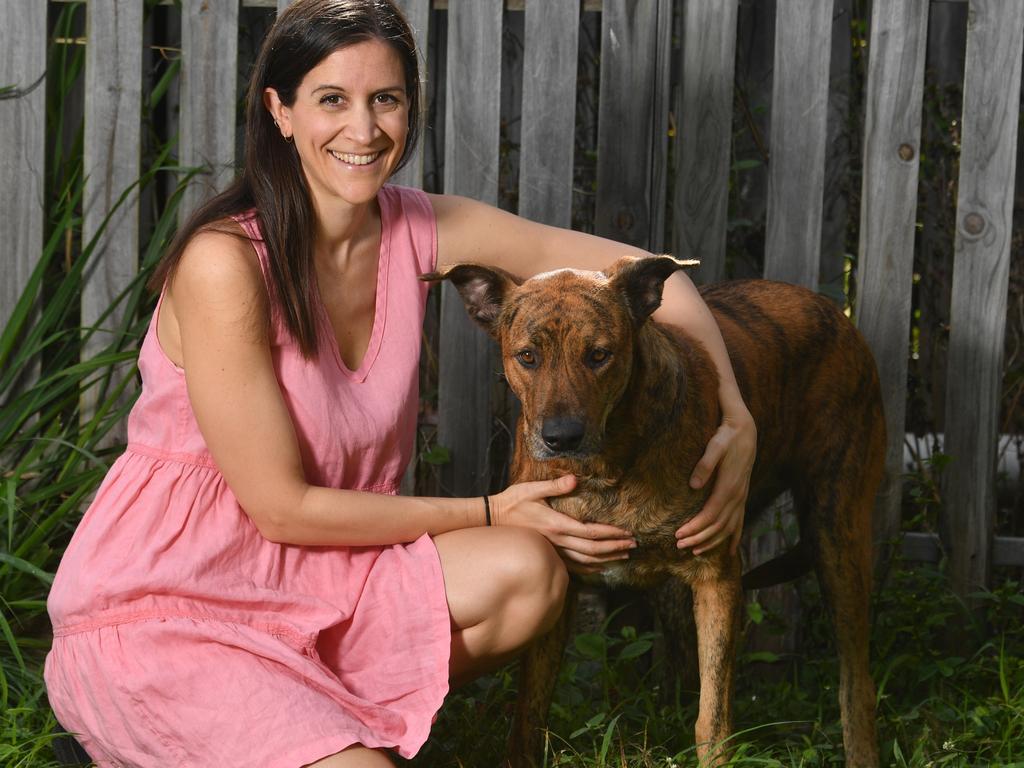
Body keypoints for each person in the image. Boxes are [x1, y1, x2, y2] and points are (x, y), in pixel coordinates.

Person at [44, 1, 756, 765]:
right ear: (278, 111)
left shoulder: (423, 228)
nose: (364, 129)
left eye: (385, 99)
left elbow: (647, 271)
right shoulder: (224, 265)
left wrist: (736, 418)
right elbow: (282, 510)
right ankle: (156, 724)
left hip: (329, 578)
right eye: (331, 100)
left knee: (529, 576)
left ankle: (292, 714)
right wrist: (489, 509)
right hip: (182, 595)